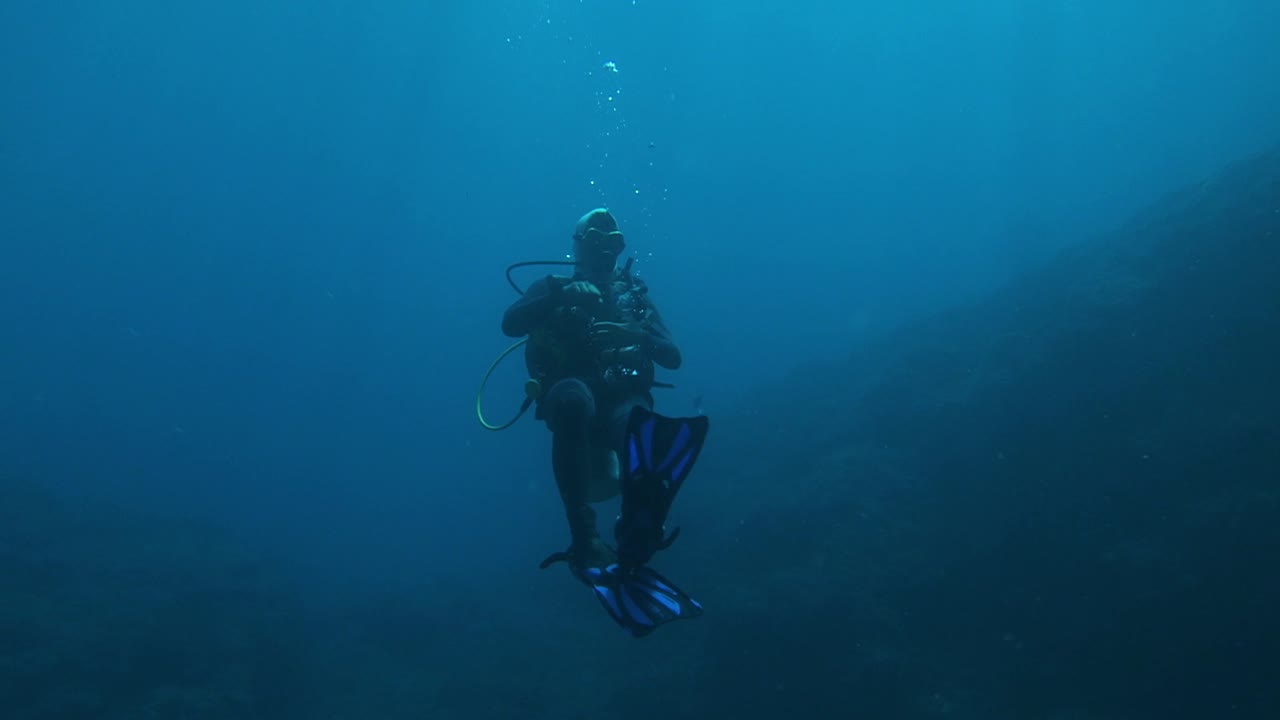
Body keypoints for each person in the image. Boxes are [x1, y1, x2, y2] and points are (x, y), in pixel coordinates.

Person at [501, 208, 683, 576]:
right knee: (572, 399)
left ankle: (638, 534)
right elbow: (510, 324)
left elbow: (673, 357)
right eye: (596, 241)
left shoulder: (632, 294)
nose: (606, 251)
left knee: (639, 426)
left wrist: (637, 335)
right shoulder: (552, 286)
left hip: (622, 398)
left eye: (613, 243)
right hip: (570, 395)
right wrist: (558, 293)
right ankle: (585, 540)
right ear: (578, 247)